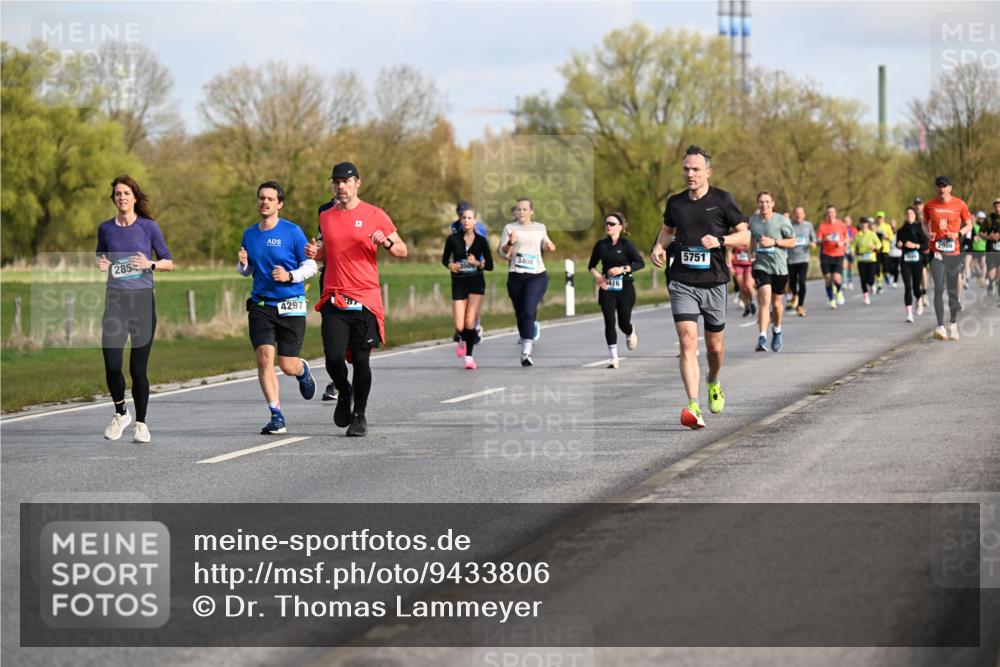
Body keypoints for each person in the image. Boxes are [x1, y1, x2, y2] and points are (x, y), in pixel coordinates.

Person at [651, 145, 750, 429]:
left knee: (715, 348)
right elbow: (668, 231)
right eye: (686, 169)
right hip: (682, 281)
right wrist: (658, 247)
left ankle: (713, 381)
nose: (690, 174)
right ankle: (693, 406)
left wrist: (720, 241)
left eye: (695, 169)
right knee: (686, 342)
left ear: (708, 172)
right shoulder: (676, 203)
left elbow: (743, 234)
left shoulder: (722, 200)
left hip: (714, 282)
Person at [309, 162, 408, 436]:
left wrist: (386, 242)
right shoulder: (326, 216)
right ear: (332, 185)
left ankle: (359, 416)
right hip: (334, 296)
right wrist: (314, 253)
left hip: (364, 298)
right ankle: (344, 391)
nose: (341, 186)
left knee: (361, 360)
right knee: (332, 358)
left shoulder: (375, 214)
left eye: (346, 181)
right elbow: (327, 252)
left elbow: (402, 250)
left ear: (357, 184)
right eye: (336, 182)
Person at [96, 175, 174, 443]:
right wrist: (102, 263)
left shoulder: (148, 227)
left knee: (138, 369)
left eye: (126, 193)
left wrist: (149, 265)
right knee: (112, 363)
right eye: (118, 194)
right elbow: (101, 255)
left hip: (141, 302)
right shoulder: (106, 229)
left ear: (134, 197)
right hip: (115, 301)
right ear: (114, 199)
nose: (122, 198)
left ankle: (141, 423)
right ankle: (121, 413)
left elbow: (169, 261)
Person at [237, 181, 318, 434]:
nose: (265, 202)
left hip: (291, 304)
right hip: (261, 305)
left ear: (279, 204)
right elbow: (248, 271)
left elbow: (312, 266)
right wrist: (242, 265)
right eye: (261, 198)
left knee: (287, 365)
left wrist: (290, 276)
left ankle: (302, 370)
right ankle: (276, 415)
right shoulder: (250, 234)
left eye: (270, 199)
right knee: (264, 359)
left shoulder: (292, 232)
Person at [498, 197, 556, 367]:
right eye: (518, 209)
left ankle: (526, 352)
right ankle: (527, 334)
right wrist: (510, 243)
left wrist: (549, 245)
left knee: (529, 311)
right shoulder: (509, 228)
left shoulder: (539, 228)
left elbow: (546, 243)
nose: (521, 212)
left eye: (524, 209)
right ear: (515, 212)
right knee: (521, 314)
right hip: (516, 276)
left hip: (536, 275)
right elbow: (503, 254)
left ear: (531, 211)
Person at [588, 211, 644, 368]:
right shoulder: (600, 245)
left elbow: (640, 263)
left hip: (625, 287)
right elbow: (591, 265)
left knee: (623, 322)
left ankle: (630, 330)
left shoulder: (626, 245)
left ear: (620, 227)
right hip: (607, 287)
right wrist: (598, 276)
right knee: (609, 321)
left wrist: (623, 269)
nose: (608, 226)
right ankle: (614, 357)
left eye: (611, 224)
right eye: (606, 223)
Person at [442, 205, 493, 369]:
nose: (466, 220)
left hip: (476, 282)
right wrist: (450, 265)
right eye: (463, 218)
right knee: (459, 325)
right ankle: (462, 337)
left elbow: (490, 265)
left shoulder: (481, 241)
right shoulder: (453, 239)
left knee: (470, 321)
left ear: (475, 221)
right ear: (460, 220)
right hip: (458, 283)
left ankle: (469, 357)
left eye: (469, 218)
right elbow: (444, 260)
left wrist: (477, 263)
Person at [922, 176, 973, 341]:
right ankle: (940, 326)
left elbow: (969, 224)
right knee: (938, 287)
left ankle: (952, 323)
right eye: (939, 186)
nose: (941, 189)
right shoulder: (929, 205)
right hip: (937, 252)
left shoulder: (960, 204)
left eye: (944, 186)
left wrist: (958, 234)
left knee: (952, 291)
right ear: (936, 188)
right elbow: (924, 222)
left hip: (953, 253)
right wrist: (927, 233)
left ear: (950, 188)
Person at [749, 192, 796, 352]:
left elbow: (793, 242)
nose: (764, 205)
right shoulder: (753, 221)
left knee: (776, 304)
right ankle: (762, 337)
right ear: (757, 203)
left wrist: (774, 242)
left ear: (773, 203)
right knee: (765, 299)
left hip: (779, 267)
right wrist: (750, 252)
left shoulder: (782, 221)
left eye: (767, 202)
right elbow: (752, 238)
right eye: (761, 202)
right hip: (761, 266)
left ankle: (777, 330)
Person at [317, 184, 339, 401]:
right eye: (335, 183)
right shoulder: (324, 210)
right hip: (329, 277)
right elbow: (322, 240)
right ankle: (336, 380)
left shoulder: (364, 211)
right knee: (331, 331)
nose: (339, 187)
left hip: (354, 280)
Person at [896, 206, 928, 322]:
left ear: (915, 215)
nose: (909, 215)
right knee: (907, 287)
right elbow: (897, 244)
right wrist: (899, 244)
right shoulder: (901, 230)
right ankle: (909, 314)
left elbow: (926, 245)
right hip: (905, 261)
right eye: (907, 213)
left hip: (917, 261)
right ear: (905, 216)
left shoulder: (921, 228)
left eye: (911, 213)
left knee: (916, 287)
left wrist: (915, 246)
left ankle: (919, 300)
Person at [785, 205, 816, 317]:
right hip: (791, 258)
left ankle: (800, 306)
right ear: (793, 214)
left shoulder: (808, 225)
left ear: (804, 215)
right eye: (796, 213)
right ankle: (795, 295)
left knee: (802, 281)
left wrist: (813, 243)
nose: (798, 215)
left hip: (803, 258)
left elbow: (814, 238)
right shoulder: (788, 225)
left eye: (800, 213)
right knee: (792, 282)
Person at [817, 204, 849, 308]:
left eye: (832, 212)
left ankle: (838, 291)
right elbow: (818, 242)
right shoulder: (822, 226)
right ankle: (831, 299)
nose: (830, 214)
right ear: (826, 214)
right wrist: (824, 240)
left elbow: (847, 238)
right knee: (828, 279)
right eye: (828, 212)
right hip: (826, 255)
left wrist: (842, 243)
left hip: (838, 254)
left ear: (835, 213)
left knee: (837, 278)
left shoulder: (841, 224)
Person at [852, 217, 881, 305]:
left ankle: (872, 285)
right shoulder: (857, 235)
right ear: (860, 225)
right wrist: (852, 252)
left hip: (871, 258)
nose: (864, 225)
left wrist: (875, 247)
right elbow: (853, 246)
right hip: (861, 259)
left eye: (865, 224)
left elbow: (879, 244)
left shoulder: (872, 234)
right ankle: (866, 296)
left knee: (870, 278)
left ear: (868, 225)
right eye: (862, 224)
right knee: (863, 279)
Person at [729, 242, 756, 317]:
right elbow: (729, 252)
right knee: (742, 288)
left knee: (748, 286)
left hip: (749, 265)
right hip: (738, 265)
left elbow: (755, 250)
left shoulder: (750, 236)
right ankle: (747, 306)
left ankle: (753, 302)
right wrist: (730, 267)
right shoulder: (735, 236)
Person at [986, 199, 1000, 302]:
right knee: (991, 275)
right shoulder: (989, 219)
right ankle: (991, 283)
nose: (998, 209)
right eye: (996, 207)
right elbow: (981, 233)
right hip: (991, 250)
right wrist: (988, 237)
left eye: (999, 207)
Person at [971, 210, 989, 288]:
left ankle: (983, 277)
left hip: (983, 247)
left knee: (983, 262)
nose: (981, 219)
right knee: (975, 264)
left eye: (983, 218)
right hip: (975, 247)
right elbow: (972, 235)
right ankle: (980, 277)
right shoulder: (974, 226)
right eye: (980, 218)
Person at [842, 215, 857, 290]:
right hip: (843, 249)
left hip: (851, 250)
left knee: (850, 267)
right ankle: (844, 282)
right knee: (844, 266)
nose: (846, 222)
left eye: (848, 221)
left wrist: (851, 240)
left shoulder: (853, 229)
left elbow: (856, 239)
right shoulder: (841, 229)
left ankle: (850, 282)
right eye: (845, 221)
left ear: (850, 222)